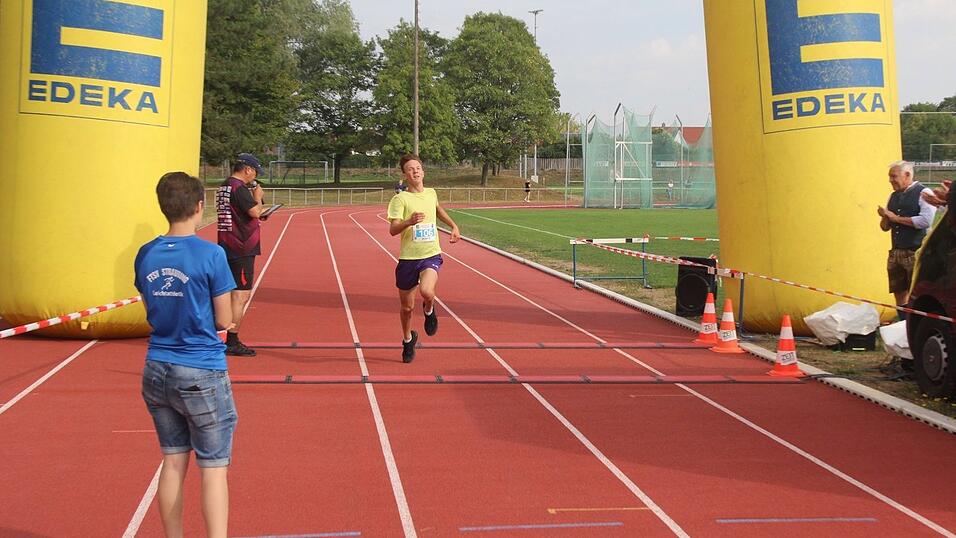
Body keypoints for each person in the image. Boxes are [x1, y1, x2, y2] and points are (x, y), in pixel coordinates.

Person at [135, 172, 238, 538]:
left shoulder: (145, 253)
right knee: (213, 467)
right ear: (199, 207)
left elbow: (151, 307)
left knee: (173, 459)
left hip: (156, 366)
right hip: (200, 369)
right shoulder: (211, 253)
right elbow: (225, 320)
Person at [387, 154, 461, 363]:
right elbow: (393, 229)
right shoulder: (400, 199)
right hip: (408, 259)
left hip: (430, 254)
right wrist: (409, 221)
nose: (415, 171)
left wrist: (453, 226)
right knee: (407, 308)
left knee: (427, 291)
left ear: (423, 171)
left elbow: (437, 210)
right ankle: (408, 339)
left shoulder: (431, 193)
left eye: (418, 167)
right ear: (405, 174)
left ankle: (429, 310)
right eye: (410, 169)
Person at [216, 153, 265, 356]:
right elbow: (255, 212)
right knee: (241, 295)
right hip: (241, 246)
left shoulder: (224, 186)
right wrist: (258, 196)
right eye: (254, 171)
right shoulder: (239, 188)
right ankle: (232, 340)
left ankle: (224, 335)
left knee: (228, 293)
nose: (254, 176)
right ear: (247, 169)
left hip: (227, 243)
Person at [878, 160, 938, 318]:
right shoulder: (893, 196)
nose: (890, 180)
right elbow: (885, 227)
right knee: (899, 291)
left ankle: (916, 325)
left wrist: (895, 218)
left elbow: (925, 221)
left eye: (893, 176)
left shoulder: (924, 193)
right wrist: (885, 217)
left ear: (907, 175)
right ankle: (903, 326)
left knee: (917, 291)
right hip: (896, 251)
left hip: (915, 251)